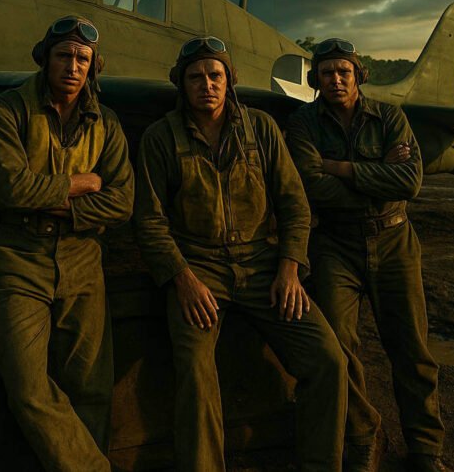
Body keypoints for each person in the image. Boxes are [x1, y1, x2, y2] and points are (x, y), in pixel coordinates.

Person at [133, 36, 348, 471]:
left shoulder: (261, 129)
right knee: (195, 372)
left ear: (229, 80)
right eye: (196, 77)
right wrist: (182, 279)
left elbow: (294, 205)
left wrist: (290, 267)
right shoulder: (160, 137)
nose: (207, 85)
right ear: (182, 84)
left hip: (262, 264)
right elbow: (149, 222)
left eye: (215, 75)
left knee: (329, 359)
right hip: (198, 268)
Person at [0, 16, 133, 471]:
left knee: (91, 387)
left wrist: (58, 203)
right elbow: (9, 189)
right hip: (17, 256)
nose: (73, 66)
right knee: (28, 388)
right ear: (44, 58)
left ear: (93, 67)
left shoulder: (107, 122)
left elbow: (123, 202)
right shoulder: (7, 110)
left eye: (83, 59)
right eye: (64, 55)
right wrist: (83, 183)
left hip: (82, 257)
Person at [287, 38, 446, 472]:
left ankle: (426, 449)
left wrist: (340, 168)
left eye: (344, 71)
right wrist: (378, 177)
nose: (336, 80)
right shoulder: (302, 124)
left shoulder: (390, 117)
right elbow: (310, 184)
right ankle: (363, 436)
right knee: (337, 347)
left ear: (359, 76)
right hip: (334, 244)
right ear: (315, 80)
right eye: (327, 73)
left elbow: (410, 182)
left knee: (412, 347)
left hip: (394, 240)